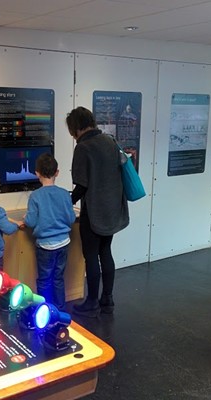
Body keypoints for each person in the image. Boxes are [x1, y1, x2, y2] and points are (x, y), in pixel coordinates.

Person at [66, 106, 129, 317]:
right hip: (111, 209)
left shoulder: (83, 148)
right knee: (106, 252)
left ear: (76, 128)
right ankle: (107, 299)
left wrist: (67, 202)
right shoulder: (110, 141)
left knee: (91, 256)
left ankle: (92, 302)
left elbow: (82, 185)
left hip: (93, 212)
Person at [23, 153, 76, 310]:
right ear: (57, 172)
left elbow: (31, 222)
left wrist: (26, 217)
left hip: (45, 246)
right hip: (63, 243)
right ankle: (60, 310)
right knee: (58, 278)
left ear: (37, 173)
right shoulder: (64, 194)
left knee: (44, 279)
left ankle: (44, 310)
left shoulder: (35, 196)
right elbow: (71, 218)